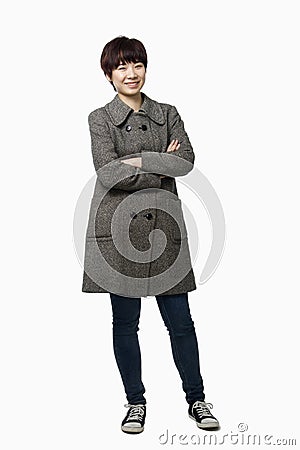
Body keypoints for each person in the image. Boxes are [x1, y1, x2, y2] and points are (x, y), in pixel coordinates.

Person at [82, 36, 219, 434]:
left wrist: (137, 160)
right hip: (118, 230)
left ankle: (197, 399)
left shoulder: (168, 112)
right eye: (122, 67)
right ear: (108, 74)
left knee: (181, 321)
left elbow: (187, 161)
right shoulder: (99, 118)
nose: (131, 73)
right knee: (126, 323)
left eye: (137, 64)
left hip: (164, 228)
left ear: (146, 67)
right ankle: (135, 403)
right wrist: (161, 162)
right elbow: (108, 173)